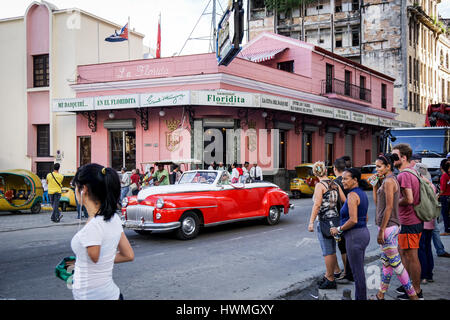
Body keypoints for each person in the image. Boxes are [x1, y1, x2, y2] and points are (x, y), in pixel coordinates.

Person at [69, 164, 134, 300]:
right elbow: (128, 255)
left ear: (83, 189)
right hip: (111, 294)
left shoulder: (92, 227)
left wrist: (81, 261)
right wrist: (79, 261)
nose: (74, 191)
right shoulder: (113, 218)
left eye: (75, 186)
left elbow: (95, 258)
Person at [370, 153, 418, 300]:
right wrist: (374, 185)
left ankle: (413, 296)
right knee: (386, 264)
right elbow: (378, 204)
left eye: (379, 167)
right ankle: (380, 294)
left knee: (397, 265)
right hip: (387, 227)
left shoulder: (390, 182)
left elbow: (389, 207)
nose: (376, 169)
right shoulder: (385, 181)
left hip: (388, 228)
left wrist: (382, 231)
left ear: (388, 167)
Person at [330, 168, 370, 300]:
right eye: (342, 179)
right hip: (363, 233)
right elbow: (366, 217)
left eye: (346, 178)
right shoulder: (362, 193)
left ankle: (361, 298)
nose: (343, 181)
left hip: (354, 236)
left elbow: (353, 219)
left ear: (355, 180)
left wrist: (339, 229)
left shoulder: (353, 195)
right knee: (358, 272)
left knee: (357, 274)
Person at [391, 143, 424, 300]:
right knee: (406, 253)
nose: (392, 159)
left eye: (395, 156)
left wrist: (393, 201)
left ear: (403, 158)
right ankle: (410, 286)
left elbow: (409, 199)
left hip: (409, 221)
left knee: (411, 256)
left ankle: (416, 291)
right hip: (413, 220)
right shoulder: (412, 172)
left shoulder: (403, 174)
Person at [308, 161, 346, 290]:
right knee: (332, 249)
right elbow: (344, 201)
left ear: (315, 173)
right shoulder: (334, 183)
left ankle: (330, 279)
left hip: (324, 221)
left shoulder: (320, 185)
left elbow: (317, 205)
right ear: (326, 171)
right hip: (335, 221)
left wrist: (311, 222)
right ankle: (334, 272)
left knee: (327, 251)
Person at [332, 157, 353, 282]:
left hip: (339, 218)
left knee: (342, 247)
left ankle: (346, 272)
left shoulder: (334, 183)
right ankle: (349, 271)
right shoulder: (349, 181)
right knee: (348, 246)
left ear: (335, 169)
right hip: (350, 216)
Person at [414, 162, 436, 284]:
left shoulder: (420, 184)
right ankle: (429, 274)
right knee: (428, 248)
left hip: (421, 220)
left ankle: (423, 275)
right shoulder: (431, 184)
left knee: (420, 249)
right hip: (430, 221)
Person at [439, 161, 450, 236]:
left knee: (445, 214)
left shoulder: (444, 176)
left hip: (445, 197)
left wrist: (437, 196)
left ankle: (447, 230)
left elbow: (442, 190)